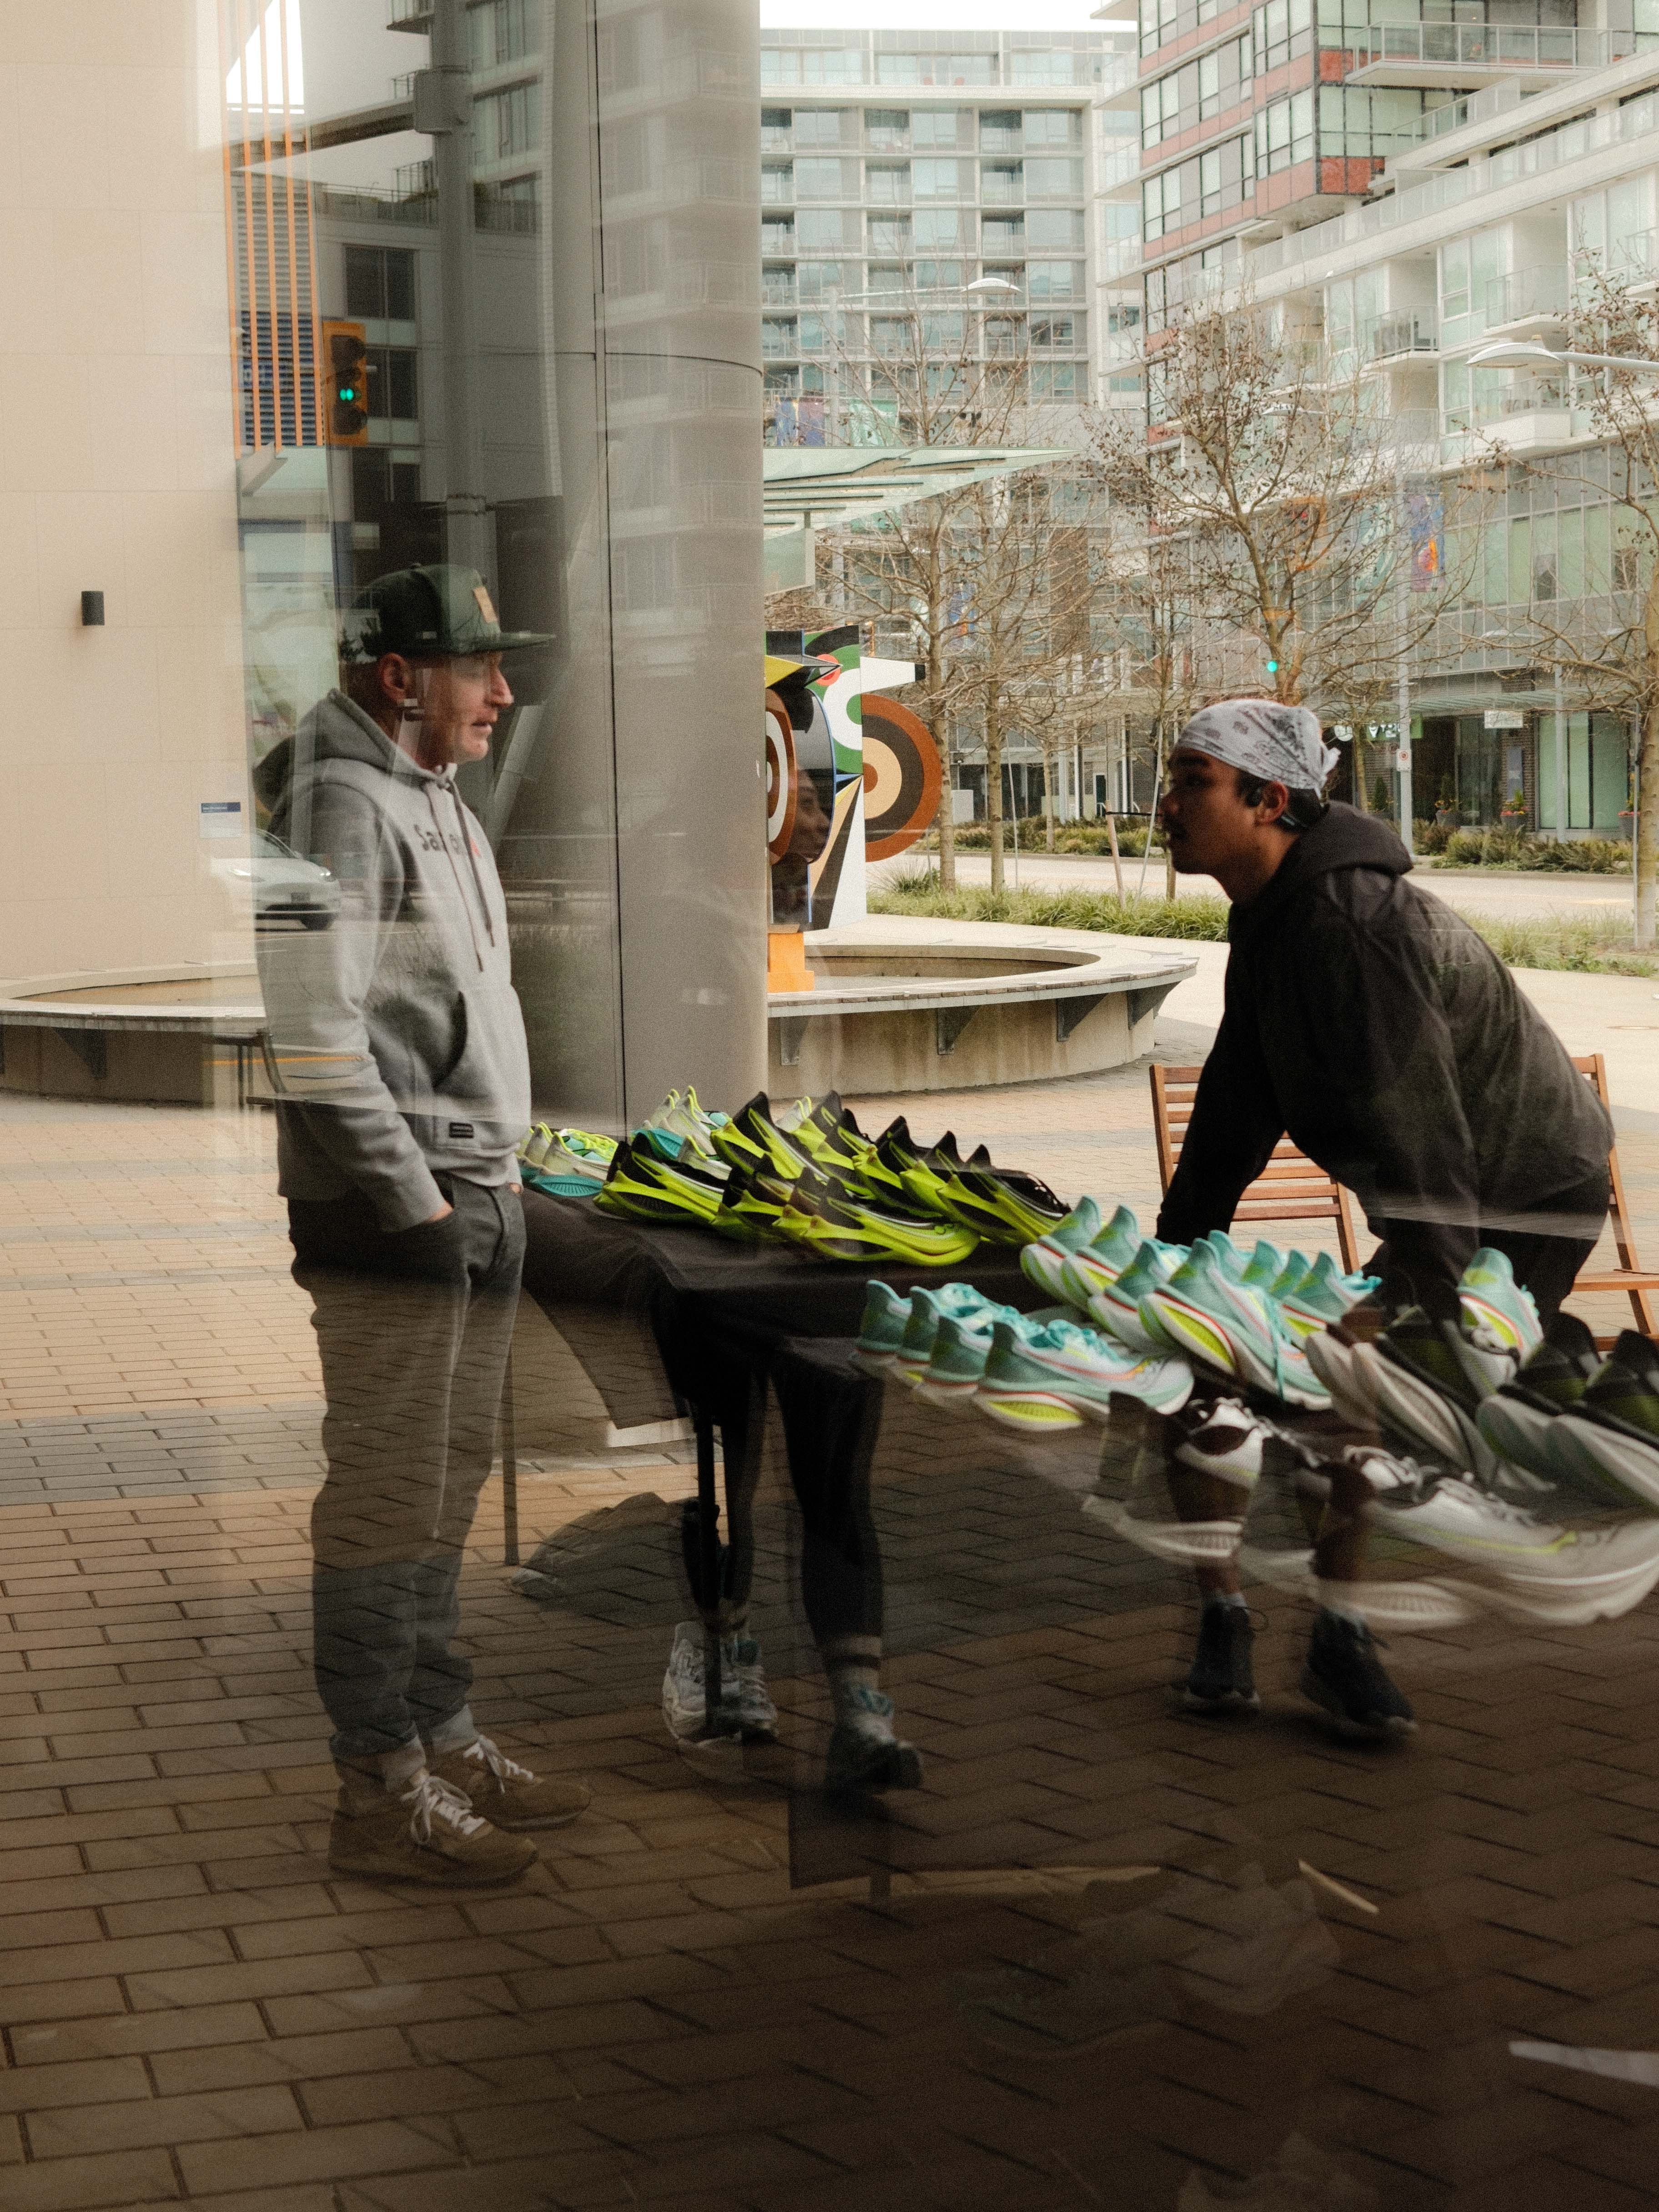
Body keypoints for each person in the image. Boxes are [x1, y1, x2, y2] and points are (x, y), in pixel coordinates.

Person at [1154, 699, 1612, 1734]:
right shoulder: (1273, 911)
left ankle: (1340, 1635)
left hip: (1521, 1196)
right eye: (1170, 777)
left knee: (1347, 1396)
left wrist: (1424, 1308)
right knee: (1190, 1348)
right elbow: (1239, 1095)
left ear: (1269, 800)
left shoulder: (1350, 924)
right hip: (1444, 1183)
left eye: (1192, 780)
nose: (1166, 802)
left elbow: (1427, 1140)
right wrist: (1172, 1262)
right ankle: (1227, 1621)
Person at [257, 563, 590, 1884]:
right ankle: (375, 1784)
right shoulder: (339, 802)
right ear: (403, 678)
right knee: (390, 1498)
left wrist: (502, 1168)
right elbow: (312, 1031)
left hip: (470, 1196)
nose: (505, 690)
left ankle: (439, 1731)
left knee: (444, 1490)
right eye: (479, 666)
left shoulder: (433, 797)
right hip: (399, 1221)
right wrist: (415, 1203)